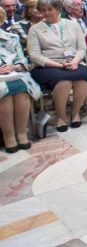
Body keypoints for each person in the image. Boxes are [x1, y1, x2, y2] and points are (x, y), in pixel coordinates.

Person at [27, 0, 87, 135]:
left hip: (72, 61)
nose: (46, 13)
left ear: (58, 9)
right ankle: (60, 116)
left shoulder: (73, 25)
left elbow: (81, 48)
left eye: (50, 9)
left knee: (83, 77)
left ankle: (75, 113)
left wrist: (75, 61)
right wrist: (58, 65)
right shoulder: (35, 29)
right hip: (47, 65)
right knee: (64, 81)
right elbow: (35, 56)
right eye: (43, 10)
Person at [0, 8, 41, 153]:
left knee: (21, 88)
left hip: (14, 73)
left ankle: (22, 133)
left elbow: (22, 59)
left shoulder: (11, 37)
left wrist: (15, 66)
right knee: (5, 91)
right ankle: (9, 136)